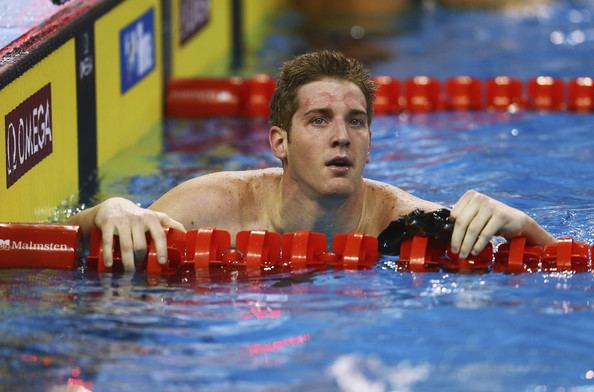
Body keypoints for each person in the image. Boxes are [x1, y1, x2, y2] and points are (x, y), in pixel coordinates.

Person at [68, 50, 555, 271]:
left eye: (357, 122)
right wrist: (108, 209)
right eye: (319, 120)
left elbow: (561, 265)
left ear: (369, 141)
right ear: (279, 142)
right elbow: (80, 242)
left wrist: (525, 227)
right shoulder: (213, 205)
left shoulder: (406, 222)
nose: (342, 137)